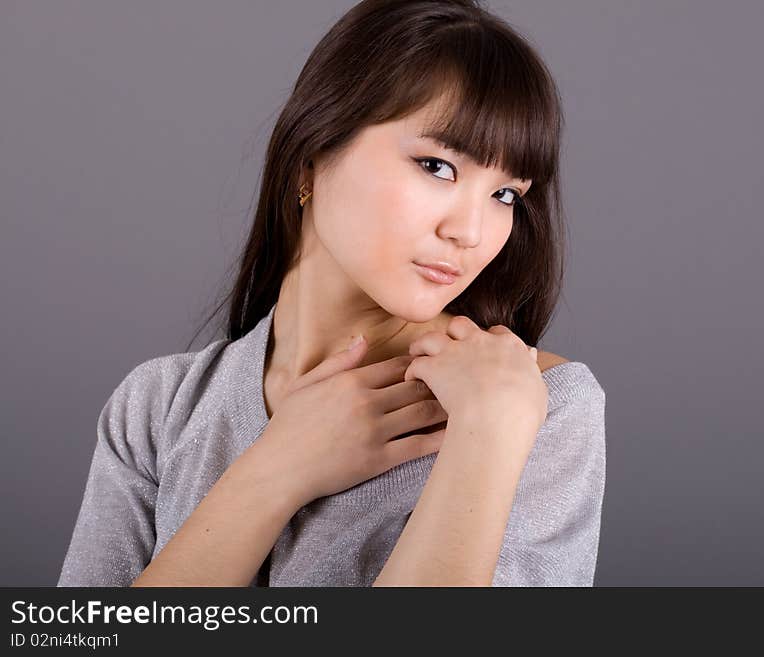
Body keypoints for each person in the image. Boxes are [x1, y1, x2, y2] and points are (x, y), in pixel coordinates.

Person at [57, 0, 606, 587]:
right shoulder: (160, 408)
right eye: (438, 166)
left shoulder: (537, 405)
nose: (470, 232)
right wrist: (276, 468)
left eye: (506, 196)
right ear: (311, 159)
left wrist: (487, 434)